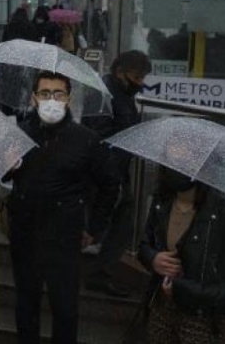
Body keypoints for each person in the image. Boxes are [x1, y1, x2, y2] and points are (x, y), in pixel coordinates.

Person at [5, 71, 119, 344]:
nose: (51, 100)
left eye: (58, 94)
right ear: (34, 98)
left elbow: (110, 185)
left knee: (65, 308)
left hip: (64, 236)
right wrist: (6, 165)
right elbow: (4, 175)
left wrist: (94, 228)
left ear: (68, 99)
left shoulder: (86, 139)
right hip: (25, 233)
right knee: (25, 304)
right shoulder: (18, 134)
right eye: (45, 93)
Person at [138, 166, 225, 343]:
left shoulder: (224, 211)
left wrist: (195, 293)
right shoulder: (162, 200)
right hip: (161, 310)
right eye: (173, 148)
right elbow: (145, 244)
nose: (177, 158)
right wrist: (153, 258)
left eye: (185, 152)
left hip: (201, 319)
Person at [82, 50, 152, 298]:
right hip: (105, 174)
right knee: (97, 225)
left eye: (142, 77)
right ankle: (88, 271)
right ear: (119, 71)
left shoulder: (123, 93)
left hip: (118, 172)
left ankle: (100, 271)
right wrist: (112, 180)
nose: (140, 83)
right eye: (136, 76)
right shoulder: (102, 94)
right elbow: (99, 137)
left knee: (120, 223)